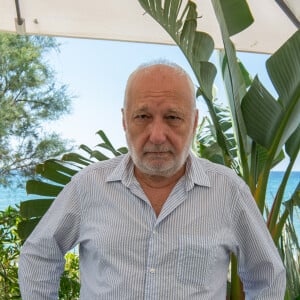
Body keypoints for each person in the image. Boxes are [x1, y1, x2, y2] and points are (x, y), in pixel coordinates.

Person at [19, 61, 286, 299]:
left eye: (172, 117)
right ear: (125, 121)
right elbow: (39, 254)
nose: (157, 135)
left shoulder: (228, 191)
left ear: (193, 122)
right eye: (143, 117)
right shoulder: (87, 187)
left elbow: (267, 276)